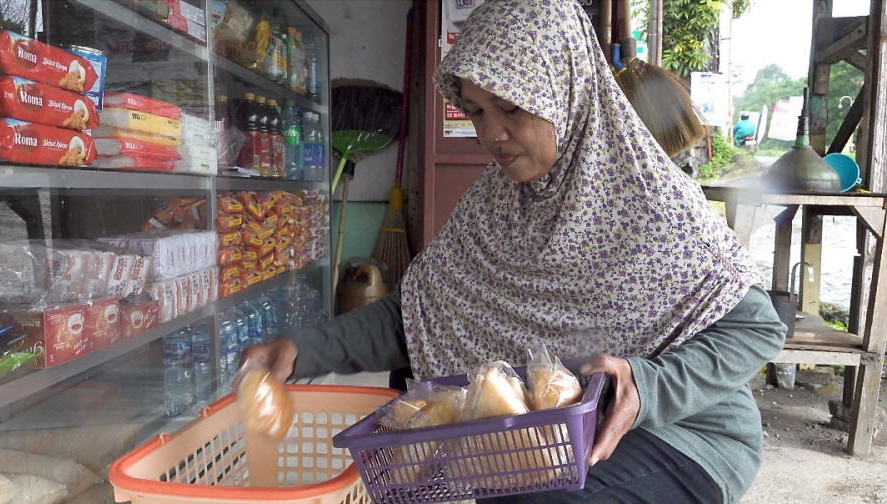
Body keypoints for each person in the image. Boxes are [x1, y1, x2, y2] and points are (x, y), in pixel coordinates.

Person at [239, 1, 786, 503]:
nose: (491, 134)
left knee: (531, 493)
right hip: (562, 430)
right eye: (476, 111)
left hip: (683, 435)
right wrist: (303, 350)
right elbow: (422, 316)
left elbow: (758, 329)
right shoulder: (494, 207)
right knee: (431, 433)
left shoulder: (652, 205)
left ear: (563, 91)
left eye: (511, 107)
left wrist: (648, 386)